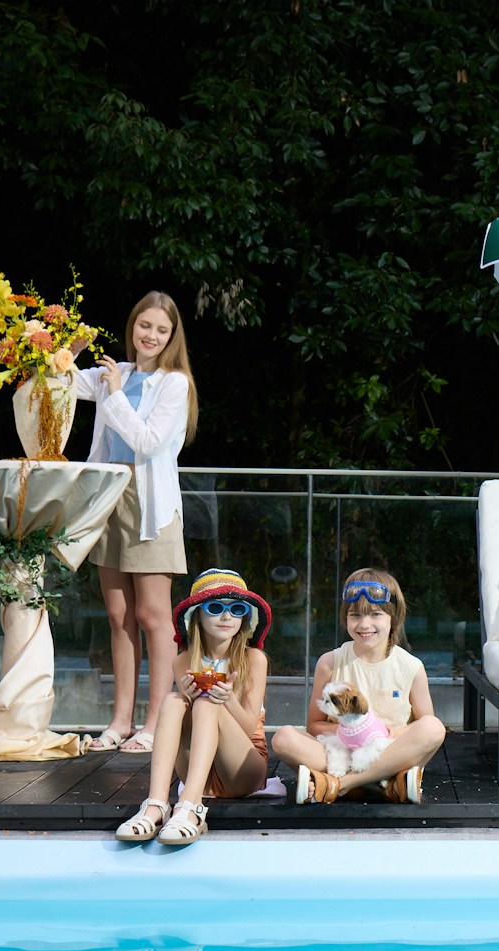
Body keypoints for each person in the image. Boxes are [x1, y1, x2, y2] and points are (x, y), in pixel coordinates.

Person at [75, 292, 198, 753]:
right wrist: (67, 347)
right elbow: (58, 384)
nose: (150, 335)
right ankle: (120, 721)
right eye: (144, 326)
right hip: (108, 502)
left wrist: (110, 395)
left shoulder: (174, 384)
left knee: (152, 616)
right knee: (118, 615)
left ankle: (155, 723)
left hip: (151, 508)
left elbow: (146, 442)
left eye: (161, 330)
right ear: (132, 327)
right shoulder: (117, 373)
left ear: (171, 337)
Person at [114, 568, 271, 845]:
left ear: (245, 617)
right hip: (202, 773)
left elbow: (249, 728)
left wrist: (228, 699)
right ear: (197, 613)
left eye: (236, 609)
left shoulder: (253, 659)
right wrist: (187, 697)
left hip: (243, 769)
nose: (227, 617)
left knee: (208, 703)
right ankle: (157, 804)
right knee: (174, 701)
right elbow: (182, 724)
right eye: (215, 607)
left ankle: (190, 807)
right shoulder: (183, 661)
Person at [273, 568, 446, 804]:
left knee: (434, 728)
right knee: (283, 738)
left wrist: (386, 733)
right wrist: (352, 735)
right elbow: (314, 725)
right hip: (341, 753)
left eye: (375, 614)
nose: (365, 624)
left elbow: (424, 726)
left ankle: (340, 785)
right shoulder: (330, 663)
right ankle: (389, 785)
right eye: (355, 615)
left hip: (388, 752)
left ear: (393, 618)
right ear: (345, 618)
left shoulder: (411, 668)